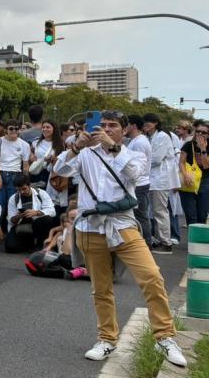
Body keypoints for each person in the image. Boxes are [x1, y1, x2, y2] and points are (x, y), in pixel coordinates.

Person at [53, 110, 186, 367]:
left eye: (112, 125)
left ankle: (165, 337)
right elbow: (60, 169)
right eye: (102, 125)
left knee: (152, 277)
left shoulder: (134, 152)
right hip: (91, 226)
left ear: (124, 130)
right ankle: (107, 339)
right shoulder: (86, 154)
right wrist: (76, 146)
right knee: (101, 288)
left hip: (123, 224)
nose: (105, 129)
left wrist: (113, 147)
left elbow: (135, 174)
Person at [144, 113, 178, 253]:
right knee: (152, 212)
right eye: (145, 122)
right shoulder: (149, 137)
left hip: (160, 179)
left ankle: (166, 243)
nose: (146, 124)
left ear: (156, 123)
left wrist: (141, 163)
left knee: (160, 211)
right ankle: (158, 239)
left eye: (149, 122)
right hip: (152, 179)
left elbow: (157, 158)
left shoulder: (162, 137)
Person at [0, 121, 29, 228]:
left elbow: (25, 165)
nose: (14, 131)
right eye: (11, 128)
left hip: (15, 176)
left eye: (16, 128)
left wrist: (25, 181)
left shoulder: (24, 145)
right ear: (6, 129)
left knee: (13, 206)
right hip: (1, 174)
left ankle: (11, 231)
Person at [4, 175, 58, 253]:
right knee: (11, 247)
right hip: (21, 226)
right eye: (19, 190)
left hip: (37, 224)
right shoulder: (13, 198)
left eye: (24, 189)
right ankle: (28, 244)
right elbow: (10, 220)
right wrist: (19, 216)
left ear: (29, 185)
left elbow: (52, 211)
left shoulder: (41, 193)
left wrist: (36, 212)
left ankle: (39, 244)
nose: (22, 192)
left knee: (47, 220)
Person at [124, 114, 153, 246]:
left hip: (140, 183)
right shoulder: (135, 140)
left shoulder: (140, 142)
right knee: (137, 215)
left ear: (133, 126)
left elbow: (137, 166)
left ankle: (146, 243)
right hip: (138, 183)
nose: (125, 127)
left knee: (140, 215)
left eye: (126, 124)